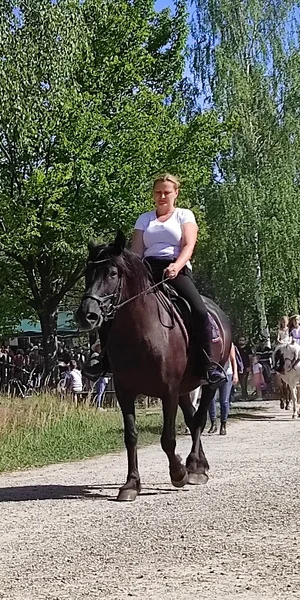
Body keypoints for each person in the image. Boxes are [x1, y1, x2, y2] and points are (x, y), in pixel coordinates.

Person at [130, 173, 225, 385]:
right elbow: (136, 251)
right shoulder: (144, 219)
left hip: (175, 268)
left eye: (167, 192)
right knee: (118, 305)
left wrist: (177, 266)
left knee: (199, 310)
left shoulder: (184, 215)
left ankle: (207, 363)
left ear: (176, 193)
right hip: (146, 271)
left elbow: (188, 245)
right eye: (158, 192)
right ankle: (105, 358)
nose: (162, 196)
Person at [208, 344, 239, 436]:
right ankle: (213, 423)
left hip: (227, 374)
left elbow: (233, 359)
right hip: (213, 374)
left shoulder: (229, 344)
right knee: (211, 399)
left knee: (224, 400)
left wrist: (235, 374)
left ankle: (223, 424)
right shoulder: (212, 343)